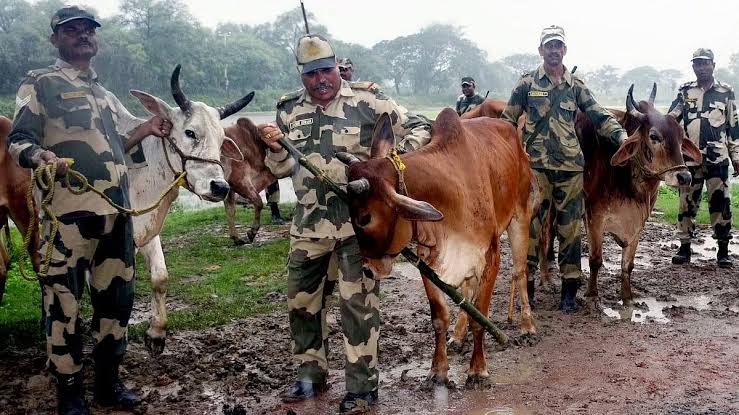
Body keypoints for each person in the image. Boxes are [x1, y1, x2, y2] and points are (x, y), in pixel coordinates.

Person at [7, 6, 171, 415]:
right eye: (72, 30)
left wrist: (146, 130)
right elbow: (18, 141)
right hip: (68, 218)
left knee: (117, 304)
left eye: (88, 30)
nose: (82, 35)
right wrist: (40, 154)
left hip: (116, 214)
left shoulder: (103, 93)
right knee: (63, 305)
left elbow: (118, 149)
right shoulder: (39, 83)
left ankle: (108, 386)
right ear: (56, 40)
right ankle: (69, 393)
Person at [258, 34, 431, 414]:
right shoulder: (287, 110)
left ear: (338, 67)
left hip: (359, 227)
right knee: (302, 304)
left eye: (326, 71)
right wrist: (274, 149)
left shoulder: (369, 102)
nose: (320, 80)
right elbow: (284, 167)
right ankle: (309, 377)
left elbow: (420, 127)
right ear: (301, 76)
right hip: (309, 226)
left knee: (358, 307)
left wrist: (390, 163)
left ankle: (362, 390)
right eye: (311, 74)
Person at [501, 25, 628, 312]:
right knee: (531, 227)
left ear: (564, 50)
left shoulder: (576, 86)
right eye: (549, 46)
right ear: (541, 50)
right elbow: (506, 122)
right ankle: (528, 286)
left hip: (571, 169)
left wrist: (622, 137)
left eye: (558, 46)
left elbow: (599, 115)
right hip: (535, 168)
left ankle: (569, 289)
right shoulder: (527, 84)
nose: (554, 50)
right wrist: (507, 156)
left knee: (570, 230)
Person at [669, 48, 739, 268]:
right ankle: (684, 248)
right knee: (686, 203)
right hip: (690, 159)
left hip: (717, 158)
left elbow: (733, 127)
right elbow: (671, 118)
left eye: (705, 63)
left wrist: (736, 156)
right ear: (693, 67)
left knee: (721, 204)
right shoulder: (685, 92)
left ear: (713, 65)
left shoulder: (726, 92)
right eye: (697, 64)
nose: (701, 67)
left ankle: (723, 251)